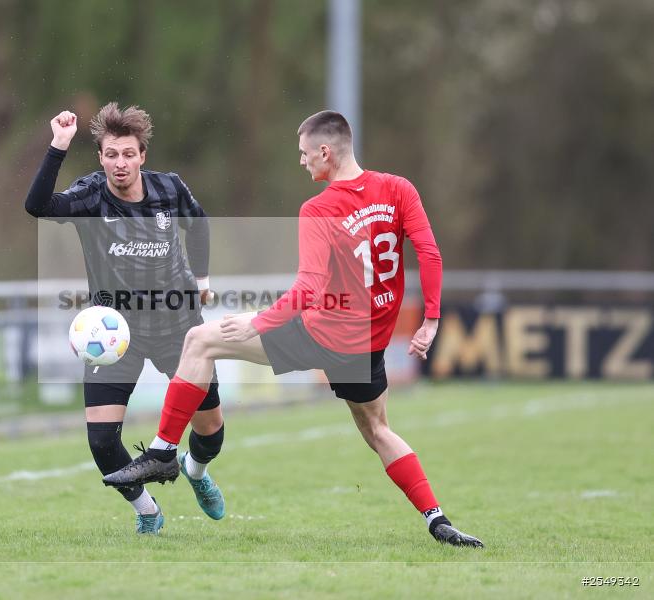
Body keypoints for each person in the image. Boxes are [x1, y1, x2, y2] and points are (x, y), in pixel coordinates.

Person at [104, 110, 484, 548]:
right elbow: (430, 253)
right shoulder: (398, 189)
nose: (302, 162)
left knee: (198, 339)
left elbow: (309, 288)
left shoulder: (319, 209)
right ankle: (436, 519)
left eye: (304, 154)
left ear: (325, 151)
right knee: (378, 430)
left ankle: (163, 453)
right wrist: (431, 319)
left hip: (321, 332)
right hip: (366, 345)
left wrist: (257, 323)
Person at [25, 103, 225, 535]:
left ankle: (195, 472)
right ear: (100, 157)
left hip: (179, 326)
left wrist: (202, 277)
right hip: (115, 333)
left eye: (128, 154)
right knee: (101, 440)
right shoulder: (90, 195)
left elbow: (200, 224)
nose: (120, 163)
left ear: (142, 156)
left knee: (211, 432)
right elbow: (37, 207)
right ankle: (148, 511)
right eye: (111, 154)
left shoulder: (169, 189)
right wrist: (58, 146)